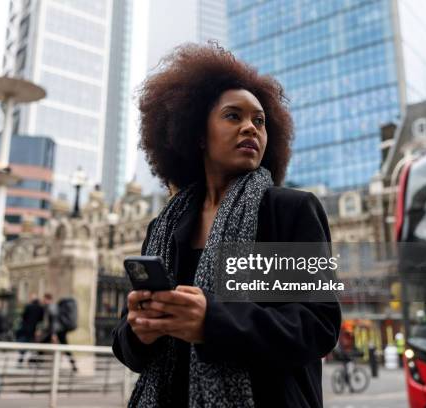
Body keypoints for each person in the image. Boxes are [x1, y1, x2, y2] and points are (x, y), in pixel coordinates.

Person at [111, 43, 341, 407]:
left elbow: (317, 326)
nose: (250, 127)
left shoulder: (290, 211)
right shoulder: (163, 228)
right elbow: (129, 351)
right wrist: (140, 330)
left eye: (260, 120)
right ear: (198, 134)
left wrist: (212, 321)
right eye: (233, 116)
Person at [16, 295, 44, 364]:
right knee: (32, 345)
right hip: (33, 330)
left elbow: (23, 316)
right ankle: (31, 360)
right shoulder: (40, 308)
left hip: (25, 329)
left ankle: (21, 359)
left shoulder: (28, 306)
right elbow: (41, 319)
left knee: (24, 344)